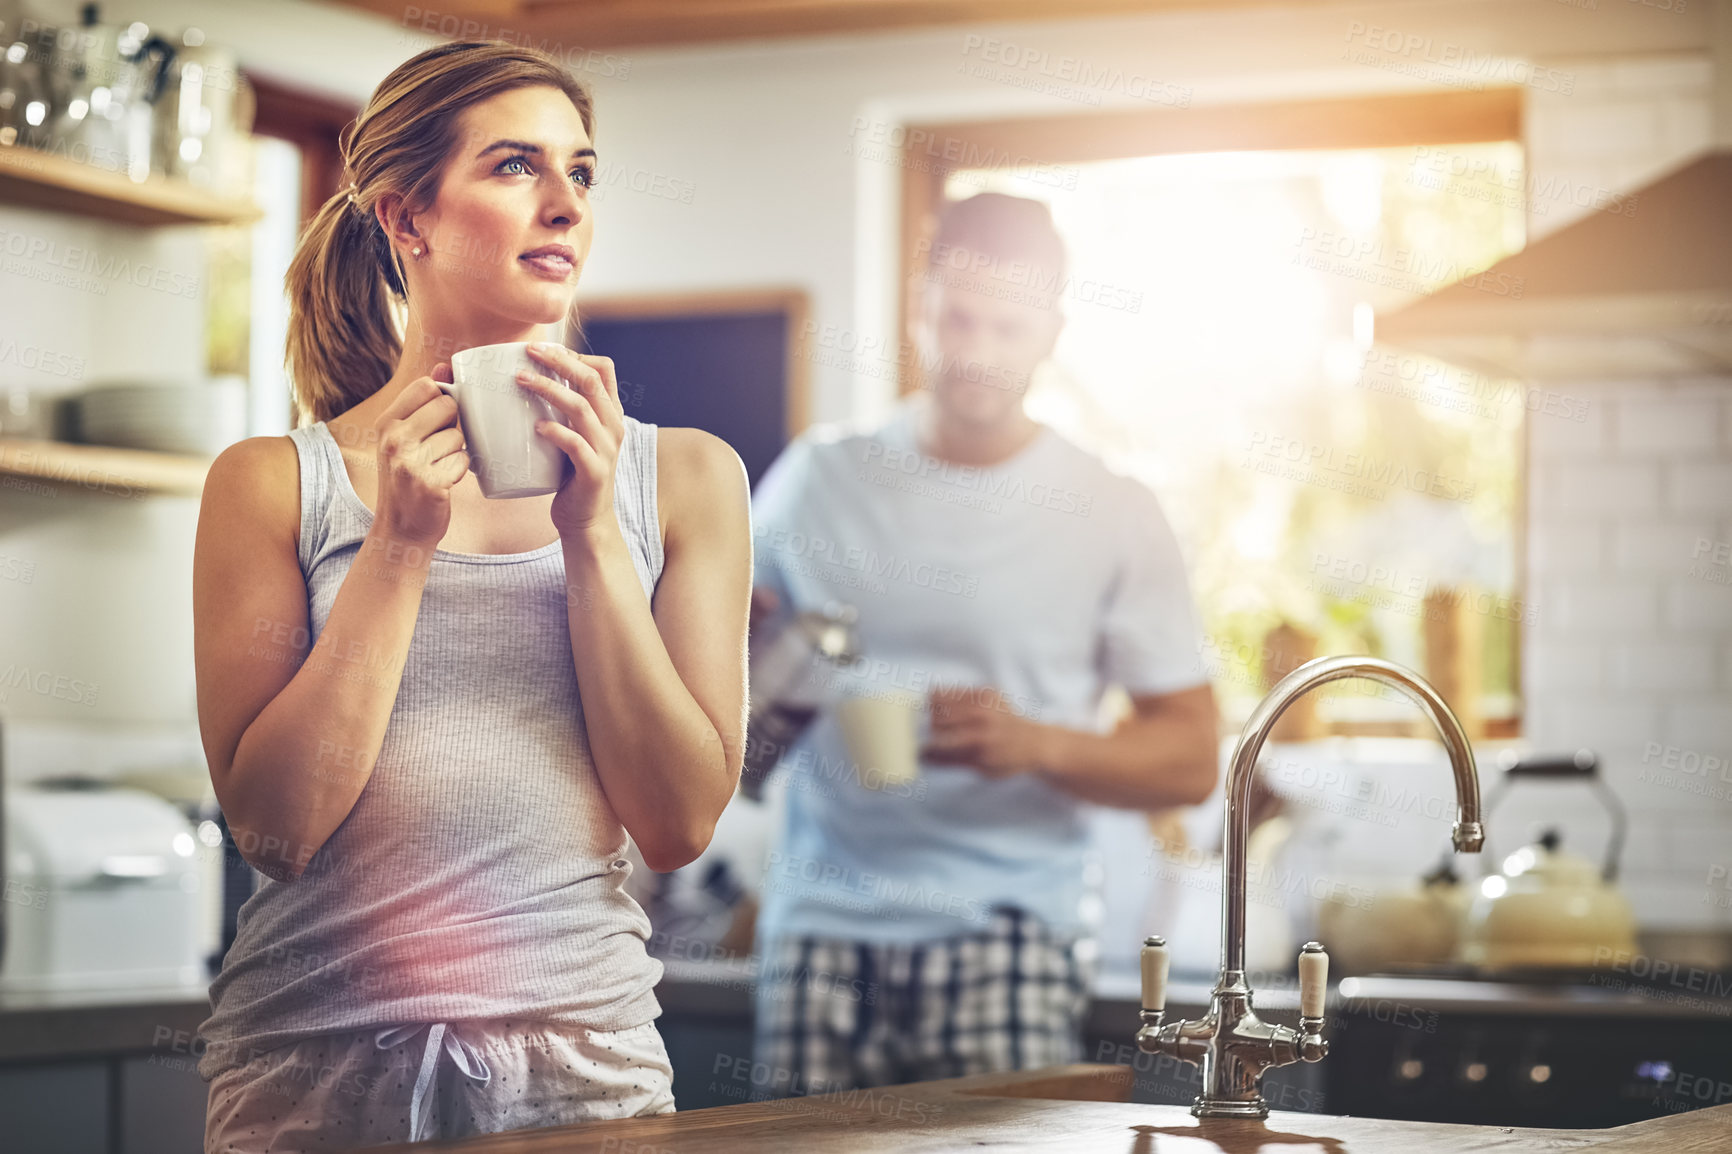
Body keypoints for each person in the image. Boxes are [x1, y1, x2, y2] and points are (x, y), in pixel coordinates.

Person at [190, 41, 751, 1150]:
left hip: (585, 1068)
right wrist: (396, 550)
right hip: (313, 1069)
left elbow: (678, 819)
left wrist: (590, 535)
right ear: (407, 219)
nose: (563, 205)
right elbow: (274, 828)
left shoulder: (684, 477)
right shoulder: (270, 481)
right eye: (514, 168)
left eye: (580, 173)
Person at [747, 192, 1218, 1094]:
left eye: (1008, 327)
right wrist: (754, 667)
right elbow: (733, 709)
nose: (976, 353)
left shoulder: (1113, 510)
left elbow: (1192, 760)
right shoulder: (819, 477)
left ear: (1051, 330)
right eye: (957, 319)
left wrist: (1035, 744)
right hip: (818, 923)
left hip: (1011, 925)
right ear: (919, 307)